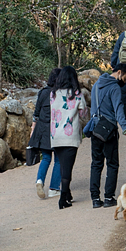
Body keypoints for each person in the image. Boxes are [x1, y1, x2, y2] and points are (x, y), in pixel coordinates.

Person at [87, 65, 126, 207]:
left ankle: (95, 199)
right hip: (109, 130)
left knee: (96, 163)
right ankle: (108, 198)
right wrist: (125, 128)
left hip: (96, 128)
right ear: (119, 72)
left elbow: (93, 107)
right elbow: (118, 109)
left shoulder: (96, 85)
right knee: (112, 163)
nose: (125, 81)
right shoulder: (114, 88)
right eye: (125, 77)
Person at [48, 65, 88, 209]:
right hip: (70, 137)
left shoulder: (53, 94)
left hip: (55, 136)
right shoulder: (76, 94)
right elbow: (83, 114)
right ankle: (62, 200)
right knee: (67, 170)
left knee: (62, 166)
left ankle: (68, 194)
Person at [27, 68, 62, 201]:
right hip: (56, 130)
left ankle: (40, 181)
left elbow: (36, 114)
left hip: (42, 130)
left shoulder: (43, 93)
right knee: (58, 160)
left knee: (46, 158)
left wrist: (32, 130)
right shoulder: (60, 94)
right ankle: (53, 188)